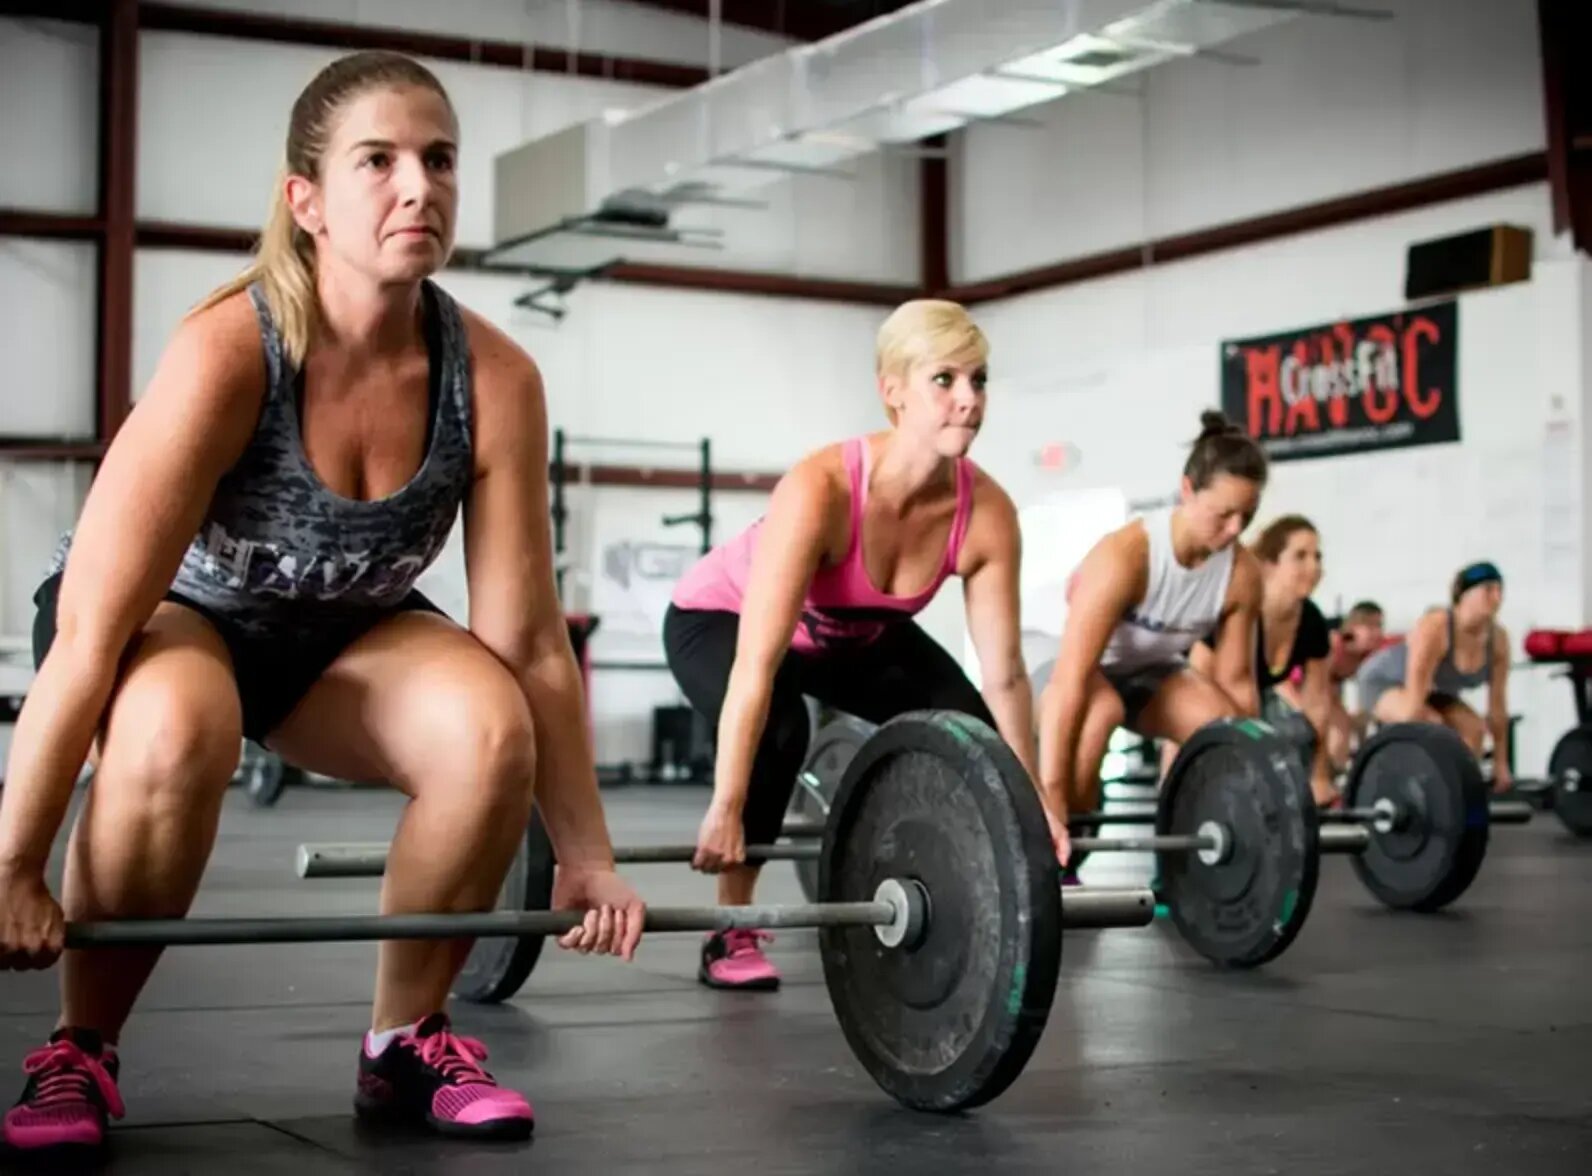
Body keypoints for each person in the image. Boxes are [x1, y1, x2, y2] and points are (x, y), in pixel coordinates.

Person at [0, 51, 644, 1155]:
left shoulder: (492, 378)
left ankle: (404, 1042)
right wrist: (13, 863)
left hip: (340, 631)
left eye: (438, 160)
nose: (418, 187)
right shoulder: (227, 353)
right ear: (306, 200)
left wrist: (584, 851)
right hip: (175, 617)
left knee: (490, 728)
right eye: (378, 161)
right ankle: (78, 1050)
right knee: (172, 727)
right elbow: (93, 632)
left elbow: (527, 639)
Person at [663, 299, 1040, 991]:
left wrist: (1038, 807)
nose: (968, 401)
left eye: (979, 380)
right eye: (945, 380)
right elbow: (756, 662)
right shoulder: (823, 488)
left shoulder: (986, 512)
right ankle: (729, 931)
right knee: (780, 726)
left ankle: (971, 888)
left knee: (968, 732)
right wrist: (726, 803)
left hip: (856, 635)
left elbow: (1007, 675)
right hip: (720, 622)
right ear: (891, 390)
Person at [1037, 411, 1266, 870]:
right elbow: (1069, 680)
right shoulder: (1129, 555)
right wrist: (1053, 795)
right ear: (1187, 490)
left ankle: (1186, 864)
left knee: (1220, 721)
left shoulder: (1241, 573)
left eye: (1248, 514)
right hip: (1069, 670)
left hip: (1149, 676)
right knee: (1101, 712)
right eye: (1224, 514)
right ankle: (1066, 852)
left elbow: (1239, 683)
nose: (1236, 529)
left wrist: (1260, 785)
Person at [1189, 515, 1336, 806]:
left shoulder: (1311, 619)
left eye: (1317, 556)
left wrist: (1319, 776)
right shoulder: (1238, 609)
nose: (1314, 567)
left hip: (1255, 701)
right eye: (1300, 556)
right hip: (1207, 698)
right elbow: (1193, 682)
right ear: (1270, 564)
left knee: (1295, 729)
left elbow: (1317, 702)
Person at [1355, 562, 1512, 791]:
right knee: (1431, 725)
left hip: (1435, 692)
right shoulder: (1437, 626)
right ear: (1464, 594)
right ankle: (1413, 788)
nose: (1497, 597)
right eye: (1488, 589)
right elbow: (1414, 706)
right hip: (1385, 681)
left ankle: (1457, 795)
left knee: (1473, 730)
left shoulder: (1498, 639)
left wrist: (1500, 763)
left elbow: (1497, 709)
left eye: (1500, 590)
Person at [1321, 600, 1385, 770]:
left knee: (1363, 717)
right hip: (1304, 685)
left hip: (1333, 687)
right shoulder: (1333, 644)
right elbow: (1319, 686)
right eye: (1369, 626)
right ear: (1350, 628)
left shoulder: (1369, 656)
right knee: (1340, 726)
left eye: (1379, 626)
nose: (1376, 633)